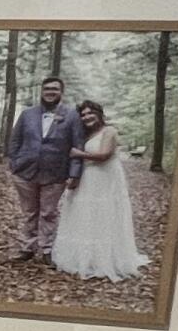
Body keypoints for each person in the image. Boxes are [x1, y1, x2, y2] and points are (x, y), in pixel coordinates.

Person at [50, 99, 149, 280]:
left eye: (91, 113)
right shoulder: (85, 134)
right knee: (84, 214)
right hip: (87, 178)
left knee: (103, 214)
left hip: (105, 179)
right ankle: (84, 258)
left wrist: (78, 153)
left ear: (99, 114)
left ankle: (105, 260)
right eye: (84, 114)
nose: (87, 117)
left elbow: (104, 155)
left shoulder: (109, 131)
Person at [4, 75, 84, 259]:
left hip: (55, 174)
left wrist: (74, 173)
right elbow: (15, 141)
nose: (50, 93)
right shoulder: (27, 114)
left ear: (61, 93)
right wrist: (14, 164)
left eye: (54, 89)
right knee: (29, 212)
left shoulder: (72, 116)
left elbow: (77, 145)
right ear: (42, 91)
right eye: (47, 89)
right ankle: (27, 248)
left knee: (48, 212)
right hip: (25, 172)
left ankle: (47, 249)